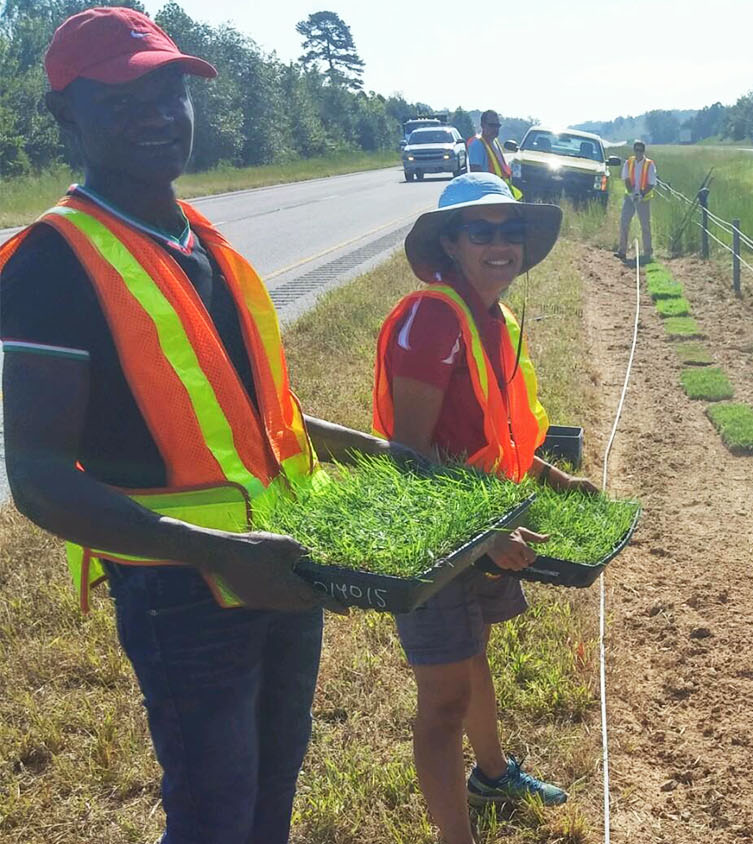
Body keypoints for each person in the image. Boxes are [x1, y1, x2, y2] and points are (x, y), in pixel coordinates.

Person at [0, 8, 417, 842]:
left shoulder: (207, 245)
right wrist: (214, 552)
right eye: (121, 99)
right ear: (64, 114)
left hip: (286, 564)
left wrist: (379, 453)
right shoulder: (53, 261)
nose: (156, 114)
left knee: (270, 797)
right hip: (180, 591)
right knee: (213, 814)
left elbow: (261, 421)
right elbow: (38, 479)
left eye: (169, 92)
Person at [372, 172, 594, 844]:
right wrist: (484, 535)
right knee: (442, 703)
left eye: (509, 232)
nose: (500, 244)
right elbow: (408, 457)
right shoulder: (434, 317)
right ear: (451, 243)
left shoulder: (492, 319)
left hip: (484, 527)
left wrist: (555, 478)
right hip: (439, 539)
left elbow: (491, 434)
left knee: (471, 662)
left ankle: (492, 775)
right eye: (481, 232)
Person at [614, 139, 655, 261]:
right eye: (636, 150)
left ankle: (647, 252)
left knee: (645, 225)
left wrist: (641, 194)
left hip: (644, 199)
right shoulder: (629, 162)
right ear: (634, 150)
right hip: (630, 197)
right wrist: (632, 193)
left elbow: (652, 183)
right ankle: (622, 251)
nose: (638, 153)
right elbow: (626, 179)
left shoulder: (649, 164)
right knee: (624, 222)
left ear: (643, 151)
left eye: (640, 150)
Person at [466, 109, 521, 198]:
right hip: (488, 194)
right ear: (483, 125)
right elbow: (476, 175)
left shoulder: (495, 142)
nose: (495, 129)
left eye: (497, 125)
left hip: (500, 192)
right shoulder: (477, 144)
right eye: (492, 125)